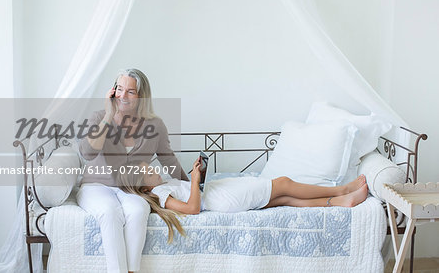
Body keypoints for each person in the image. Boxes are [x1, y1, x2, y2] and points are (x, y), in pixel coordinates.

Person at [77, 69, 188, 273]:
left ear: (142, 96)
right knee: (110, 213)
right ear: (112, 91)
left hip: (132, 189)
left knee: (138, 210)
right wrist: (109, 116)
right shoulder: (99, 117)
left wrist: (189, 185)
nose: (123, 96)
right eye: (119, 89)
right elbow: (87, 152)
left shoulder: (155, 125)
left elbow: (168, 158)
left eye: (131, 91)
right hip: (96, 186)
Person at [119, 158, 368, 243]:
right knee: (283, 183)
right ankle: (340, 190)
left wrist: (198, 177)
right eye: (150, 172)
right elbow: (193, 209)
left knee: (284, 198)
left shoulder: (162, 187)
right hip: (223, 199)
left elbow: (192, 196)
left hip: (218, 193)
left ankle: (339, 202)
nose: (156, 171)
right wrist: (195, 181)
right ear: (144, 185)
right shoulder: (160, 195)